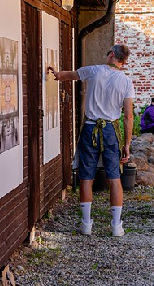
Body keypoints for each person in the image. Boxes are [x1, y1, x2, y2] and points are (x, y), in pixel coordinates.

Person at [48, 44, 134, 237]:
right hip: (111, 130)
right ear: (123, 61)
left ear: (111, 54)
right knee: (114, 177)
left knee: (86, 176)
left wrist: (56, 73)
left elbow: (67, 76)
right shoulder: (126, 82)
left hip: (89, 128)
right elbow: (128, 116)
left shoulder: (93, 71)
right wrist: (127, 144)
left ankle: (86, 224)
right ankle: (116, 226)